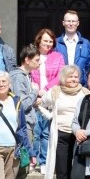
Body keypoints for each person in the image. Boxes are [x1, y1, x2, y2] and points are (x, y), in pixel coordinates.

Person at [40, 65, 90, 179]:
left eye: (76, 76)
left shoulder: (85, 92)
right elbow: (41, 104)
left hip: (79, 137)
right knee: (62, 171)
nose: (73, 80)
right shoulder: (55, 91)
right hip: (61, 135)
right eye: (70, 77)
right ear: (63, 78)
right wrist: (50, 117)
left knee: (78, 172)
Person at [8, 44, 40, 179]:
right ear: (27, 60)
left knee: (24, 166)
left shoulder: (25, 76)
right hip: (23, 127)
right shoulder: (18, 77)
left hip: (28, 125)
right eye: (36, 60)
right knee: (21, 167)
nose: (39, 64)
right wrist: (35, 93)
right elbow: (22, 104)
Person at [31, 28, 66, 167]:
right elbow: (27, 72)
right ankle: (33, 160)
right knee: (35, 131)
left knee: (46, 132)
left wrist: (45, 91)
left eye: (51, 41)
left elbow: (60, 75)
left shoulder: (58, 57)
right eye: (45, 40)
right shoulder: (32, 55)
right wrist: (34, 91)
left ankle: (44, 161)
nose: (48, 43)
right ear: (39, 40)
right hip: (34, 98)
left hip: (50, 97)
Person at [55, 10, 90, 86]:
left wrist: (85, 83)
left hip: (80, 86)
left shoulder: (86, 44)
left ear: (78, 23)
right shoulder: (55, 43)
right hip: (61, 85)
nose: (71, 24)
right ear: (63, 23)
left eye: (73, 21)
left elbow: (89, 67)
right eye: (68, 21)